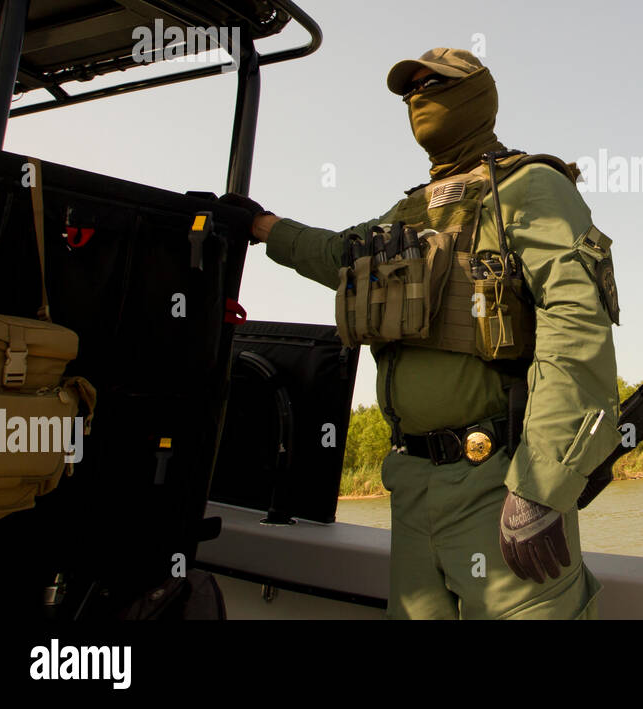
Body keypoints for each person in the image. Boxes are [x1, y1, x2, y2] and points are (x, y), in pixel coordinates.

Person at [223, 47, 620, 619]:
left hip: (497, 481)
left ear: (477, 97)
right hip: (411, 485)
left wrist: (541, 486)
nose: (418, 98)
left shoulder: (531, 186)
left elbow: (577, 331)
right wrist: (263, 226)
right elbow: (339, 255)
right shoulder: (412, 210)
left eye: (436, 84)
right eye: (411, 91)